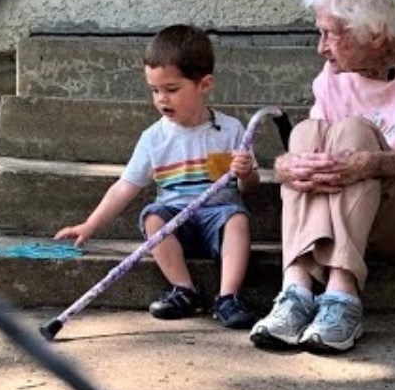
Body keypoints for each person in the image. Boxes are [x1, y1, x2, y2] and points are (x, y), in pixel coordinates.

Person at [250, 0, 395, 353]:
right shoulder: (329, 79)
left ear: (375, 33)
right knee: (306, 134)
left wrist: (371, 162)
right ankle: (296, 291)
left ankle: (342, 297)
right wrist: (284, 167)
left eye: (331, 35)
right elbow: (309, 155)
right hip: (350, 215)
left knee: (353, 134)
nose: (321, 48)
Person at [54, 24, 262, 329]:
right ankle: (184, 290)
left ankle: (227, 298)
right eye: (154, 90)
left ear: (204, 85)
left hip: (219, 216)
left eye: (172, 89)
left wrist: (245, 174)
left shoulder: (231, 130)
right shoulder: (154, 138)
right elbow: (125, 186)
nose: (162, 99)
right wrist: (90, 224)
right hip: (176, 220)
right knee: (153, 217)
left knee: (238, 219)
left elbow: (249, 188)